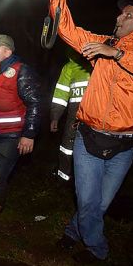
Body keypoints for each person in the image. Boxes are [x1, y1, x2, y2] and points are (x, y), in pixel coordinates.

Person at [50, 0, 133, 264]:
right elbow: (68, 30)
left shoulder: (122, 51)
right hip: (89, 138)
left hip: (125, 145)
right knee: (89, 202)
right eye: (120, 13)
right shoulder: (103, 44)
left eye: (129, 15)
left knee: (99, 204)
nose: (119, 18)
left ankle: (72, 232)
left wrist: (119, 54)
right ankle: (97, 250)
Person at [0, 34, 42, 233]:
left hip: (12, 135)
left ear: (7, 51)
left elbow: (35, 103)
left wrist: (29, 134)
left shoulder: (21, 71)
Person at [50, 53, 92, 182]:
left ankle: (88, 180)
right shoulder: (69, 67)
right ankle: (64, 178)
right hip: (74, 119)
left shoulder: (100, 63)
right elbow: (60, 94)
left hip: (98, 120)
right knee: (67, 148)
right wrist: (55, 117)